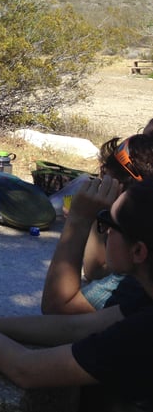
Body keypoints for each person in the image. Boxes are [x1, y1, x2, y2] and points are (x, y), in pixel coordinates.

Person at [0, 177, 153, 412]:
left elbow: (27, 369)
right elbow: (75, 328)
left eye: (108, 224)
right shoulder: (145, 298)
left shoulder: (143, 330)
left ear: (139, 251)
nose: (106, 232)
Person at [42, 133, 153, 315]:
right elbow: (98, 270)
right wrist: (98, 216)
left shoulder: (140, 276)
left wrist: (79, 220)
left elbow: (58, 310)